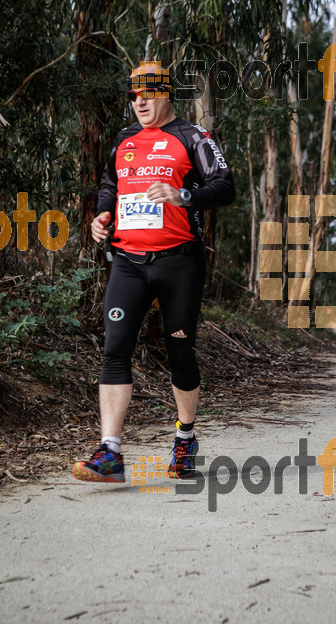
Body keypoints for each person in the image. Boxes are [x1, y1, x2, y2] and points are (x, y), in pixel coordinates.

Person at [73, 61, 235, 483]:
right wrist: (103, 214)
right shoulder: (124, 139)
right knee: (115, 347)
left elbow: (225, 185)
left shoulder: (191, 136)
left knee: (179, 351)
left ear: (166, 93)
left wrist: (183, 195)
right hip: (128, 261)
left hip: (179, 259)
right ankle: (110, 453)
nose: (139, 102)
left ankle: (185, 441)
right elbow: (111, 181)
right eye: (133, 96)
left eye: (146, 94)